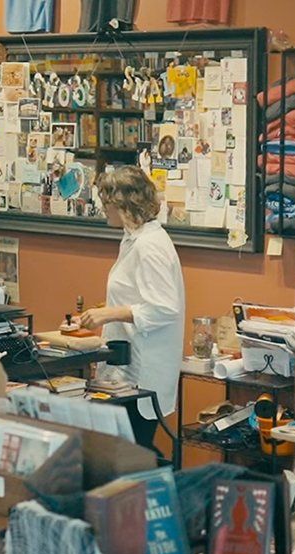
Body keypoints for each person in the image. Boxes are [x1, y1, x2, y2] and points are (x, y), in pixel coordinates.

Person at [79, 166, 185, 448]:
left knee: (133, 450)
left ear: (124, 204)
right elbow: (138, 296)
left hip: (143, 368)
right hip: (128, 363)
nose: (103, 210)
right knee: (129, 448)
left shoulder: (149, 246)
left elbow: (165, 308)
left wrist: (108, 313)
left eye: (106, 203)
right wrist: (103, 311)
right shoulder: (134, 239)